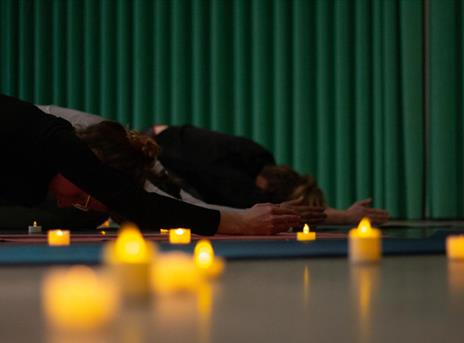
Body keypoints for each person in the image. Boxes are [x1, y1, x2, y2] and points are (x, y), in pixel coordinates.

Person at [1, 94, 302, 235]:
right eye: (82, 196)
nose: (68, 204)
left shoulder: (32, 175)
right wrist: (241, 222)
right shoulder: (56, 140)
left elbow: (163, 198)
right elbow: (141, 203)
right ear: (92, 163)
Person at [37, 104, 388, 225]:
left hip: (159, 151)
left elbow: (195, 204)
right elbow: (195, 204)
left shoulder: (249, 165)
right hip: (159, 152)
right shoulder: (247, 171)